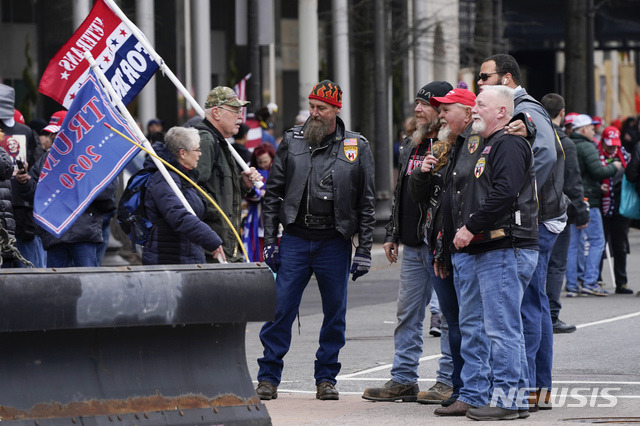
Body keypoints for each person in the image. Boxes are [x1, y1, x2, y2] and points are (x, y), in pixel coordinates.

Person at [256, 80, 375, 401]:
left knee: (335, 312)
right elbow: (273, 194)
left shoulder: (356, 146)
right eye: (312, 107)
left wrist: (364, 249)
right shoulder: (292, 141)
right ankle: (268, 376)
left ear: (336, 109)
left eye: (321, 108)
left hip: (333, 241)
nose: (314, 114)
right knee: (280, 309)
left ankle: (326, 378)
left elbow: (366, 202)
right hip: (295, 238)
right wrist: (270, 240)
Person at [478, 54, 568, 412]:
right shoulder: (519, 109)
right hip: (539, 217)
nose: (480, 83)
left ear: (508, 78)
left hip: (535, 220)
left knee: (527, 306)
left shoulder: (524, 109)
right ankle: (536, 390)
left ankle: (530, 390)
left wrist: (518, 201)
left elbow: (544, 155)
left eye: (485, 77)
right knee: (534, 304)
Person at [361, 81, 455, 405]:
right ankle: (403, 379)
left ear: (441, 111)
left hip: (440, 245)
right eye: (417, 103)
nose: (418, 110)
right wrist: (392, 233)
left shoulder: (452, 145)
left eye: (425, 105)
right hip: (414, 245)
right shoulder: (410, 144)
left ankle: (448, 380)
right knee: (407, 314)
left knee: (445, 316)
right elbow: (401, 193)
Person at [450, 86, 539, 420]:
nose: (474, 109)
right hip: (491, 248)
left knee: (502, 329)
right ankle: (507, 398)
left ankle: (509, 401)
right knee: (498, 328)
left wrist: (471, 226)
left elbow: (504, 192)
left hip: (505, 246)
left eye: (481, 104)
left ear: (503, 112)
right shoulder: (490, 144)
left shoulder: (510, 144)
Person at [406, 87, 479, 411]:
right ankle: (459, 388)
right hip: (439, 243)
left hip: (465, 243)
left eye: (448, 109)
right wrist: (422, 175)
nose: (443, 114)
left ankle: (466, 388)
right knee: (451, 317)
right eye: (442, 109)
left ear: (466, 113)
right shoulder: (445, 145)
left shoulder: (477, 144)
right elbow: (420, 197)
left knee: (468, 323)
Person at [194, 86, 262, 262]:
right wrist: (215, 217)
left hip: (224, 246)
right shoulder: (206, 139)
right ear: (216, 113)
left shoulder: (220, 141)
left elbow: (218, 190)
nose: (241, 116)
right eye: (235, 110)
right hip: (213, 249)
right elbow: (193, 189)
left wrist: (243, 184)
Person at [540, 93, 589, 334]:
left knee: (538, 263)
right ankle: (550, 314)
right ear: (562, 113)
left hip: (534, 209)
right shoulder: (564, 142)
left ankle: (536, 312)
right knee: (556, 264)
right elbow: (572, 182)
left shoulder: (534, 137)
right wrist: (581, 213)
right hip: (558, 211)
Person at [142, 127, 224, 265]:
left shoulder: (185, 177)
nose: (200, 154)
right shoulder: (164, 178)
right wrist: (210, 239)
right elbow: (177, 214)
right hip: (170, 259)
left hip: (185, 254)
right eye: (197, 149)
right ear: (183, 153)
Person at [567, 114, 621, 296]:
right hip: (590, 200)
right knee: (597, 240)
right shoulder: (587, 146)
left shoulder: (568, 143)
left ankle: (572, 285)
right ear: (583, 130)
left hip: (572, 199)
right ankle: (590, 281)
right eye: (591, 128)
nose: (594, 130)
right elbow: (598, 170)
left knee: (573, 244)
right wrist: (615, 167)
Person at [0, 83, 44, 267]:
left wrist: (26, 180)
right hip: (3, 209)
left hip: (22, 210)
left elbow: (38, 170)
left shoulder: (26, 133)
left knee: (27, 270)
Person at [597, 126, 632, 294]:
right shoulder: (595, 155)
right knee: (599, 243)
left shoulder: (625, 156)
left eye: (615, 144)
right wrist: (599, 186)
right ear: (602, 141)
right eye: (609, 144)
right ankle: (596, 280)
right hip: (602, 203)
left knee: (620, 244)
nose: (612, 148)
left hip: (620, 205)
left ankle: (622, 282)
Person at [242, 142, 276, 262]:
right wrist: (257, 193)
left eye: (265, 161)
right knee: (258, 252)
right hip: (257, 218)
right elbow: (246, 192)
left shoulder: (279, 170)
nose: (262, 165)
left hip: (277, 221)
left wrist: (268, 194)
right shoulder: (251, 169)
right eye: (260, 162)